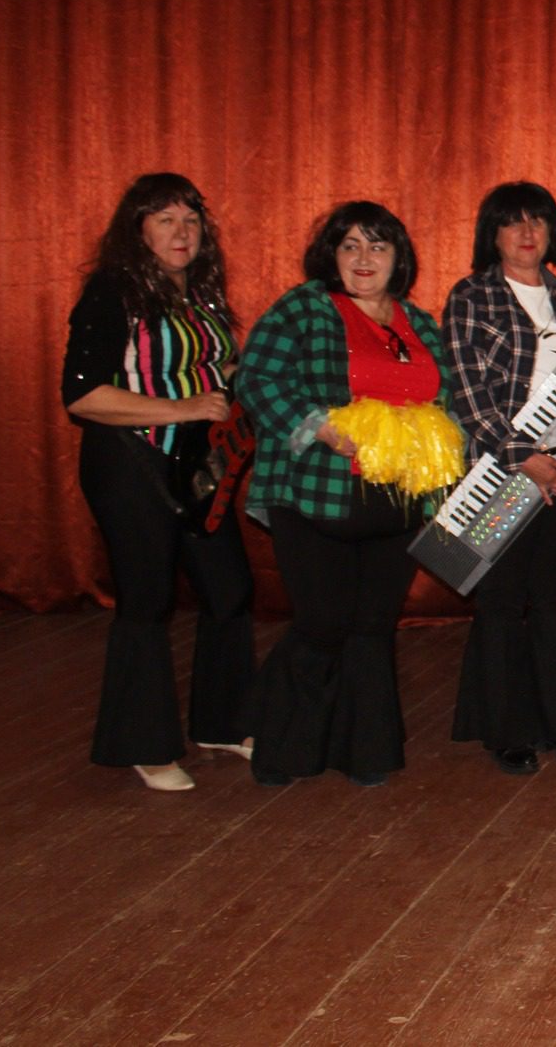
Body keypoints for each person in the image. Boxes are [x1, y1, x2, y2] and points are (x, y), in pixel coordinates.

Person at [233, 202, 464, 788]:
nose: (364, 258)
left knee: (372, 627)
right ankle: (278, 743)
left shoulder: (419, 323)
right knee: (322, 624)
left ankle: (365, 750)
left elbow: (445, 401)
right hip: (315, 495)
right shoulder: (303, 308)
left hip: (398, 500)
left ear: (398, 258)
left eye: (377, 246)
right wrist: (317, 427)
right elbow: (256, 378)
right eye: (351, 246)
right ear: (331, 255)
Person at [62, 173, 255, 791]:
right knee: (146, 601)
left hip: (196, 467)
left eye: (191, 220)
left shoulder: (200, 293)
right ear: (137, 228)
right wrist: (183, 408)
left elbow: (212, 365)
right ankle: (144, 746)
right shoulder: (112, 292)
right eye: (166, 219)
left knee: (228, 588)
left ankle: (223, 723)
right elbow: (83, 395)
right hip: (131, 463)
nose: (182, 232)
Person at [444, 182, 556, 775]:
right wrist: (525, 457)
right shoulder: (472, 297)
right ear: (492, 234)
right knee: (499, 602)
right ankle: (506, 730)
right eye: (512, 222)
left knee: (553, 601)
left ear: (552, 232)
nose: (526, 233)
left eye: (537, 221)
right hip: (498, 475)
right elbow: (469, 393)